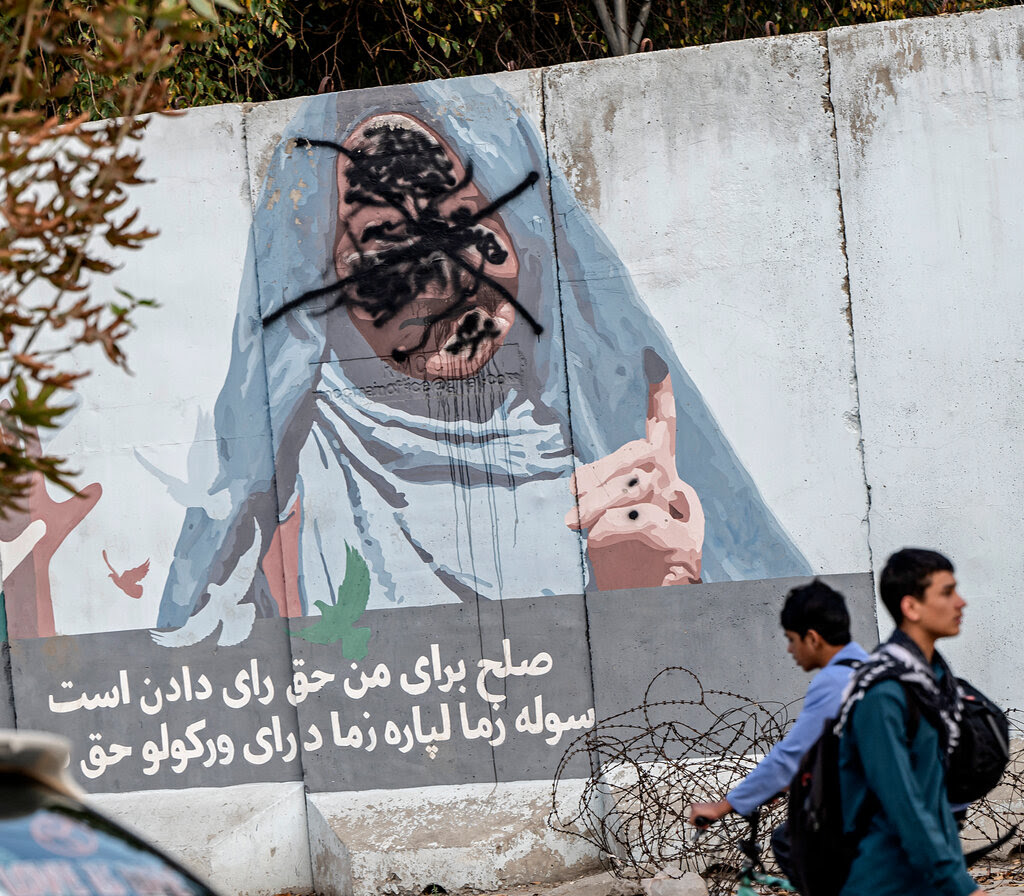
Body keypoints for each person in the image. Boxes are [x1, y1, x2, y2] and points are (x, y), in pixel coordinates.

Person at [153, 79, 810, 640]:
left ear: (521, 228)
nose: (439, 277)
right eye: (383, 249)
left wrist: (654, 599)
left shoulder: (625, 473)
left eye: (462, 219)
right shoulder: (287, 503)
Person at [688, 579, 867, 877]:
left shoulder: (835, 681)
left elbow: (790, 757)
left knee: (790, 841)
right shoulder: (867, 668)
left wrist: (721, 807)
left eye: (791, 639)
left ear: (812, 638)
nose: (789, 649)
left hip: (875, 813)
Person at [833, 548, 982, 896]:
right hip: (882, 881)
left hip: (928, 876)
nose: (961, 602)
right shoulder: (883, 691)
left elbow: (932, 794)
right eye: (946, 592)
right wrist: (959, 884)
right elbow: (901, 800)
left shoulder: (933, 682)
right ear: (911, 607)